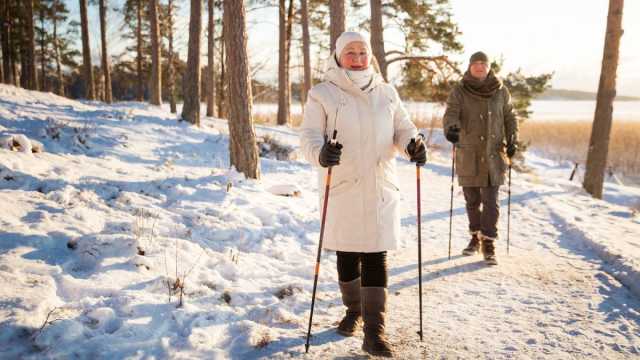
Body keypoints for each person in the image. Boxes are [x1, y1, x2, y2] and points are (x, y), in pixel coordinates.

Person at [299, 31, 426, 357]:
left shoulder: (387, 92)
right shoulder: (322, 94)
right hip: (342, 186)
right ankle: (353, 309)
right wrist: (321, 154)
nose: (357, 57)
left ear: (370, 56)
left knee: (375, 255)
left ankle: (374, 331)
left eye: (362, 51)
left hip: (381, 186)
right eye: (350, 52)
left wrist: (413, 145)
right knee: (346, 255)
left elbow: (403, 128)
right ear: (339, 56)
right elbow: (309, 137)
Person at [442, 51, 518, 266]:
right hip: (469, 153)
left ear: (488, 67)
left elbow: (510, 116)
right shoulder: (459, 90)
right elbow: (451, 113)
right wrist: (451, 129)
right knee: (472, 201)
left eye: (483, 64)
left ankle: (489, 241)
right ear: (469, 67)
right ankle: (475, 237)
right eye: (475, 63)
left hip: (494, 154)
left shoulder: (501, 91)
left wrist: (513, 139)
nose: (479, 67)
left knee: (491, 202)